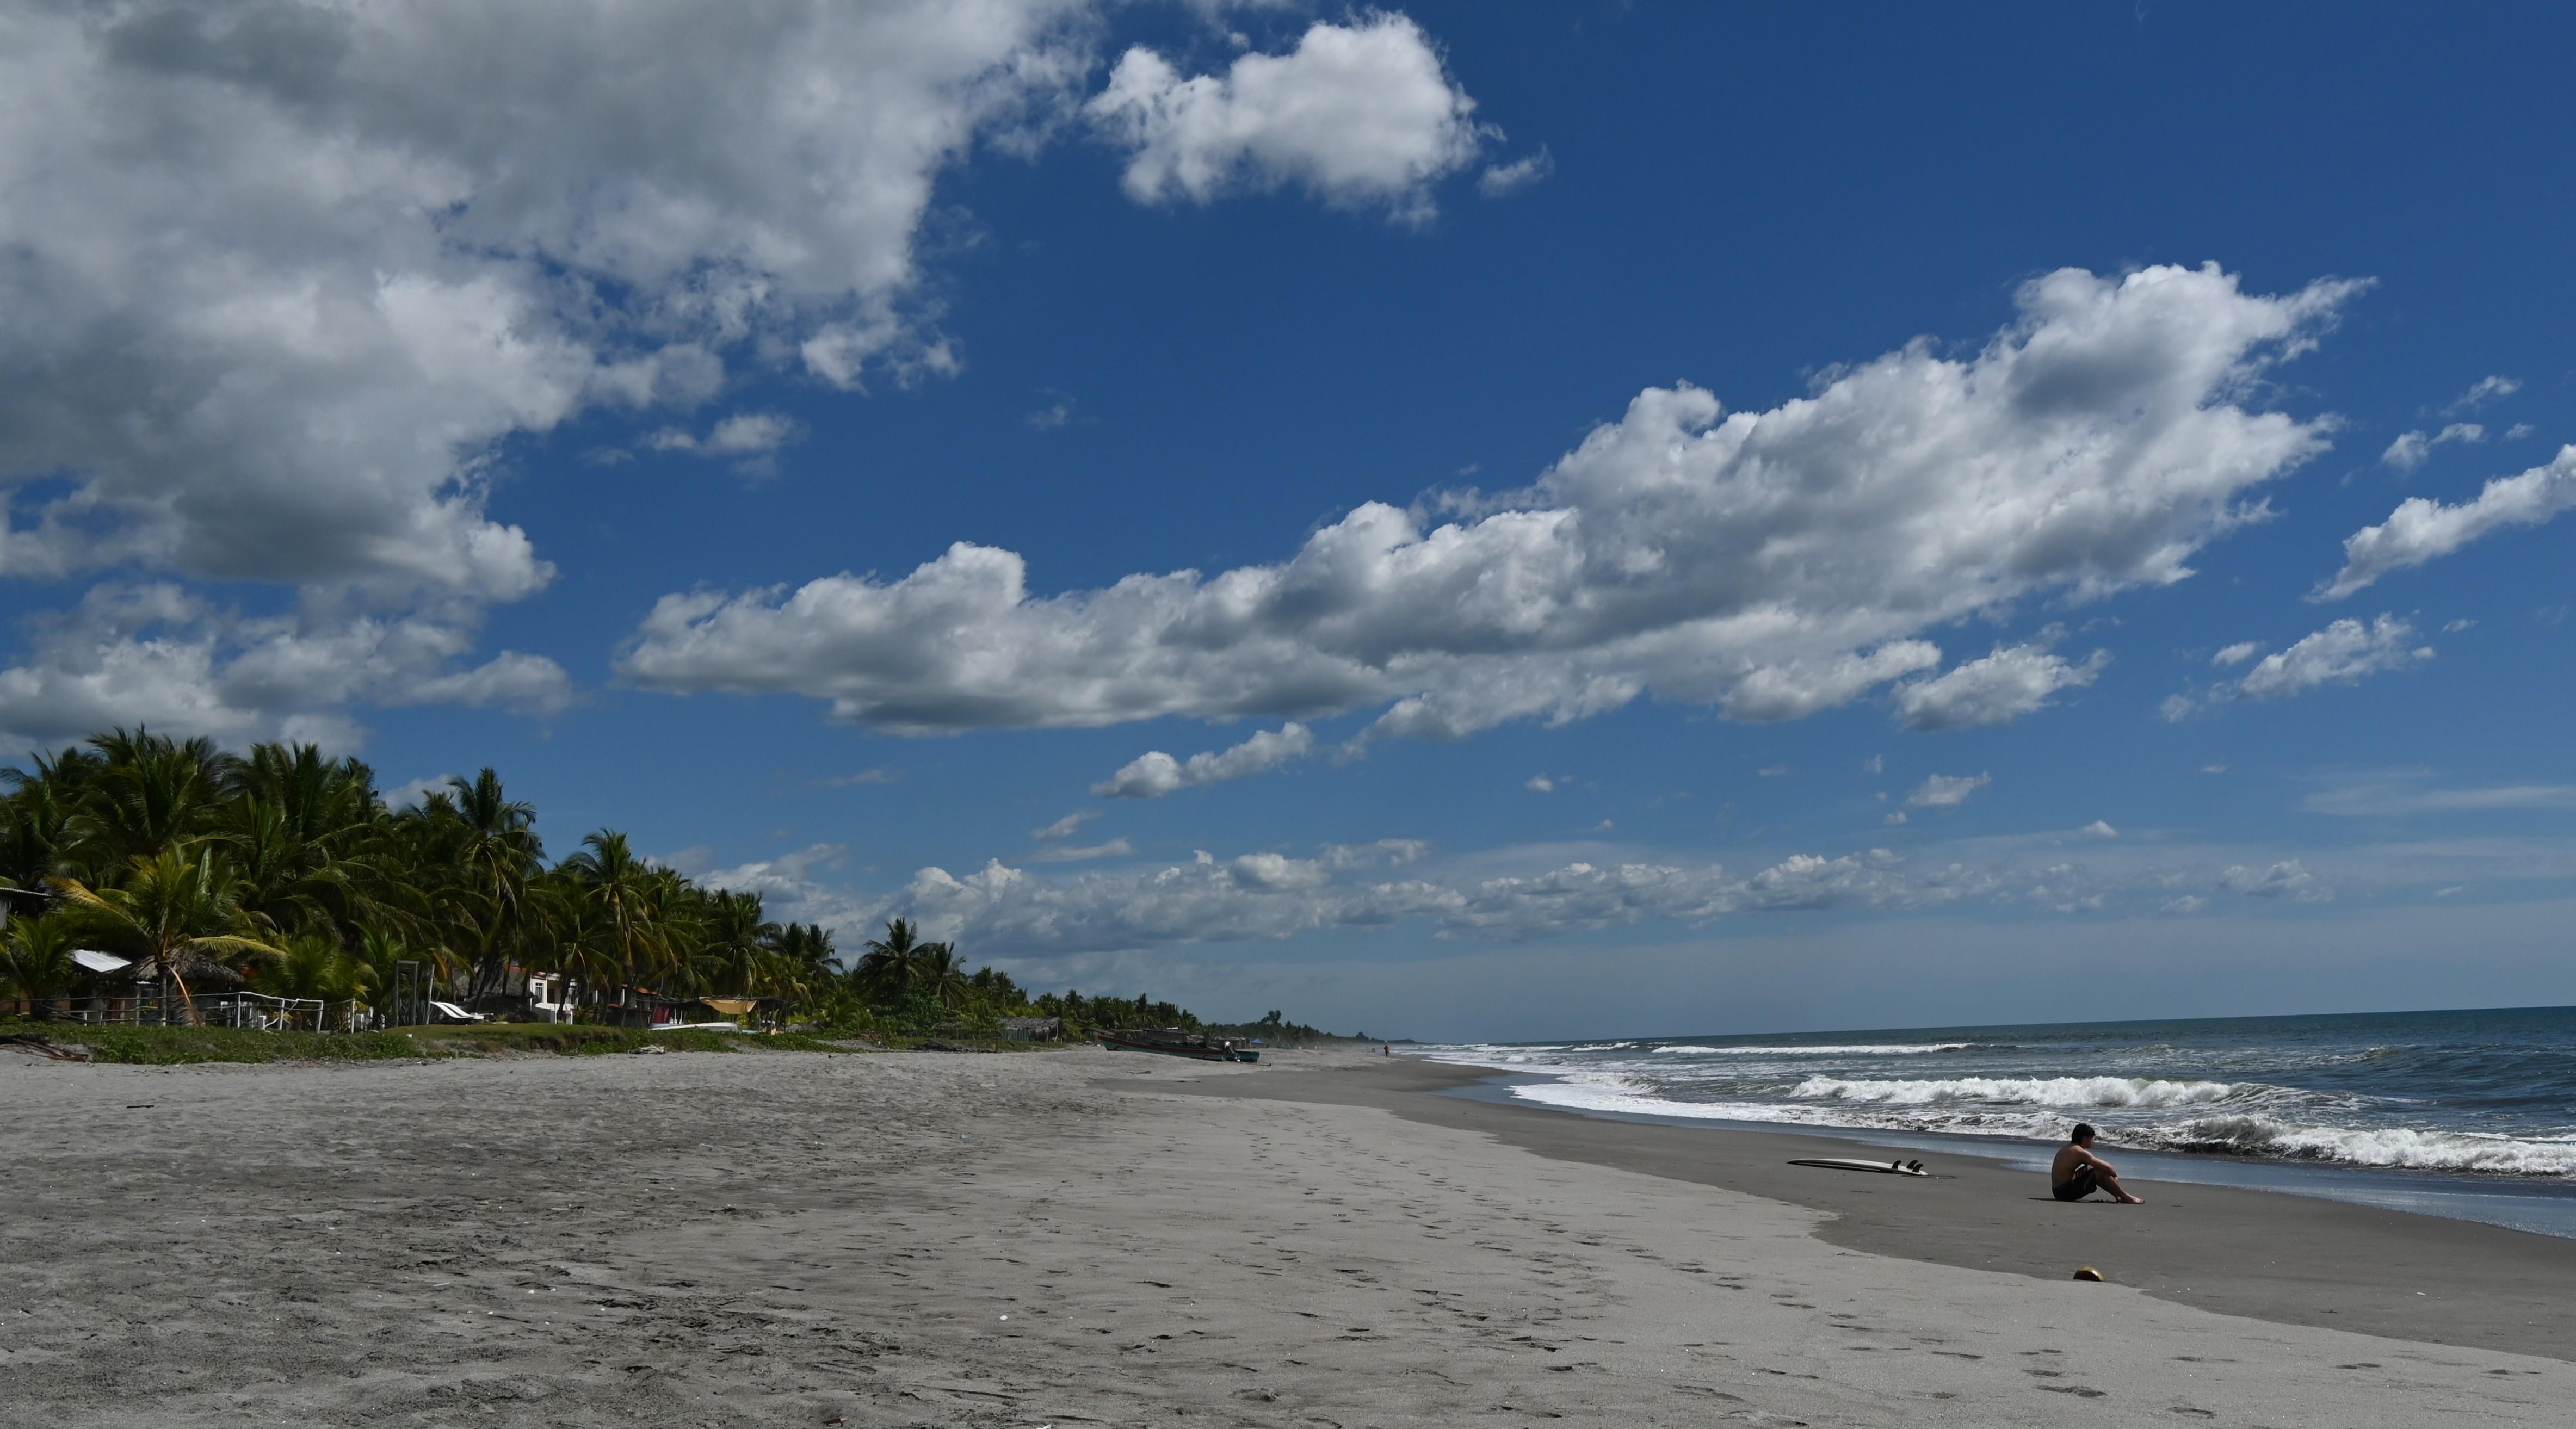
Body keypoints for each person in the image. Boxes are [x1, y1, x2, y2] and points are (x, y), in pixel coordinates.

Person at [2051, 1123, 2143, 1203]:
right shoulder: (2079, 1152)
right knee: (2099, 1172)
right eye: (2091, 1138)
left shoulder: (2069, 1148)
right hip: (2064, 1193)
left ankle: (2118, 1196)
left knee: (2092, 1168)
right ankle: (2125, 1197)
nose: (2093, 1141)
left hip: (2058, 1191)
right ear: (2085, 1138)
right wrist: (2115, 1175)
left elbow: (2095, 1165)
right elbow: (2108, 1167)